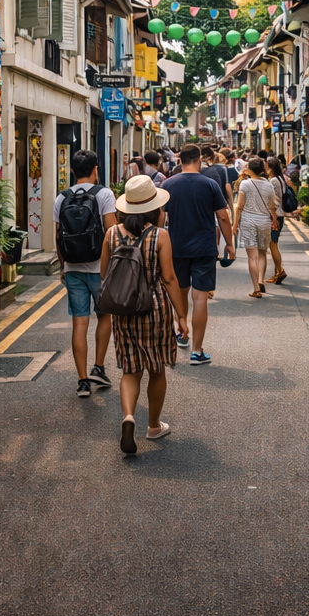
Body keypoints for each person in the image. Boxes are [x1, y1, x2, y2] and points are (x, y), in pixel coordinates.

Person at [102, 176, 192, 454]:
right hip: (154, 308)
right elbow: (168, 278)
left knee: (131, 369)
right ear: (154, 208)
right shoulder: (160, 236)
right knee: (156, 368)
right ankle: (153, 426)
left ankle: (129, 416)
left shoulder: (112, 234)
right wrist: (181, 315)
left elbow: (104, 274)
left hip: (124, 308)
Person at [161, 143, 235, 365]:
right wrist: (229, 244)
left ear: (180, 160)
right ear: (199, 159)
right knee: (200, 297)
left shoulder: (168, 184)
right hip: (204, 248)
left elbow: (159, 219)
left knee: (180, 293)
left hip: (176, 248)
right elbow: (223, 217)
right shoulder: (210, 184)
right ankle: (197, 351)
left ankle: (181, 333)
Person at [53, 149, 117, 398]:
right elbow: (111, 231)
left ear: (72, 170)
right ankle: (98, 368)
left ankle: (82, 382)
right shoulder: (104, 194)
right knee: (104, 316)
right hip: (99, 268)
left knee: (79, 322)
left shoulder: (61, 197)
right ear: (95, 168)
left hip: (73, 268)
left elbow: (58, 237)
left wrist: (62, 266)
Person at [233, 157, 281, 298]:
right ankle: (261, 280)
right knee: (262, 253)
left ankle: (256, 288)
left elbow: (239, 206)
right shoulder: (268, 185)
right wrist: (274, 219)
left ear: (250, 169)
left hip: (248, 221)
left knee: (252, 257)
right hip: (264, 222)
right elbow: (272, 206)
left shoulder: (245, 184)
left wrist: (235, 225)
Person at [264, 155, 290, 284]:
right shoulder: (281, 178)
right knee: (274, 244)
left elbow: (272, 199)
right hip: (280, 215)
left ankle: (280, 271)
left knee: (272, 244)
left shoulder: (273, 181)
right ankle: (276, 273)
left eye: (266, 165)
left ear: (270, 167)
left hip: (274, 215)